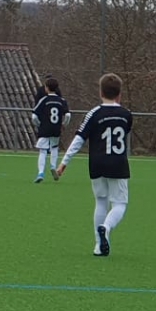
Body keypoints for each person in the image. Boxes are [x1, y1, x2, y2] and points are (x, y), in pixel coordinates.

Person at [55, 73, 133, 257]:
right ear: (119, 94)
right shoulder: (126, 114)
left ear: (100, 92)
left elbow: (79, 139)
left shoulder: (94, 113)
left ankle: (99, 246)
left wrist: (64, 162)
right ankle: (106, 227)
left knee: (101, 202)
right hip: (118, 163)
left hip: (97, 163)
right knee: (119, 204)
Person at [32, 76, 70, 183]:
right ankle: (53, 166)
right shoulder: (62, 100)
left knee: (43, 150)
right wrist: (64, 124)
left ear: (46, 88)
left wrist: (38, 124)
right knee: (54, 147)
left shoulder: (44, 100)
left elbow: (34, 116)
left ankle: (41, 173)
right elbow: (68, 115)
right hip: (56, 128)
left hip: (45, 128)